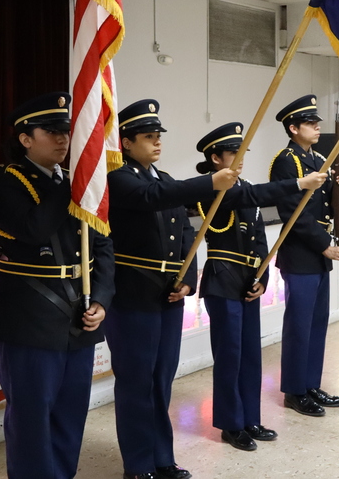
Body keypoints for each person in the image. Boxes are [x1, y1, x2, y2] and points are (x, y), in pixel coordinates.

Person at [0, 92, 115, 479]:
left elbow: (103, 245)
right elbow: (33, 228)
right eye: (52, 131)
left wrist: (103, 300)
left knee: (71, 412)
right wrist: (73, 182)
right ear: (25, 138)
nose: (63, 139)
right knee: (31, 418)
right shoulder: (4, 179)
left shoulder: (78, 183)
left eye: (67, 132)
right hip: (29, 318)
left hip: (79, 315)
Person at [105, 99, 238, 479]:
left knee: (161, 382)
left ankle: (162, 458)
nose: (157, 142)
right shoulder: (120, 179)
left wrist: (188, 279)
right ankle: (138, 465)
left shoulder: (163, 180)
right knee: (136, 383)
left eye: (158, 136)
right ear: (126, 143)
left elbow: (186, 235)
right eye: (148, 137)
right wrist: (212, 181)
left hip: (168, 297)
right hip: (133, 296)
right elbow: (152, 201)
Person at [193, 122, 327, 451]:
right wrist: (298, 182)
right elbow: (254, 195)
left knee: (251, 355)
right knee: (230, 356)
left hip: (248, 281)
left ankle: (250, 418)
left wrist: (263, 276)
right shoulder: (211, 188)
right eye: (232, 154)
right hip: (223, 280)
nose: (240, 160)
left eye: (242, 154)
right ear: (215, 158)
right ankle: (230, 423)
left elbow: (258, 237)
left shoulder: (243, 185)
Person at [268, 94, 339, 416]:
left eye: (317, 123)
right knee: (299, 325)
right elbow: (292, 211)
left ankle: (311, 384)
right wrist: (323, 245)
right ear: (293, 128)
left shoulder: (317, 159)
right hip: (303, 252)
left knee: (317, 323)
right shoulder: (287, 161)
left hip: (318, 254)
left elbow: (332, 206)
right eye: (310, 123)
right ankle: (294, 390)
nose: (317, 127)